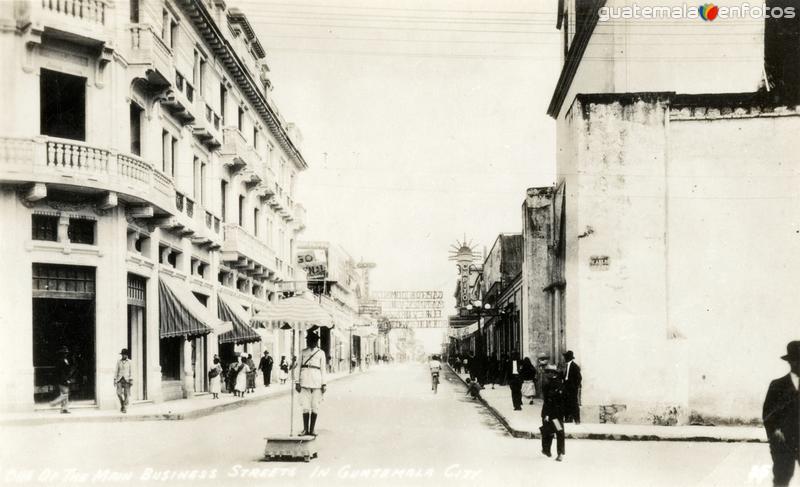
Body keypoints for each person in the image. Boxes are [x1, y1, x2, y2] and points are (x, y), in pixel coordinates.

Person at [763, 340, 800, 486]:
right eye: (796, 361)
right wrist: (775, 433)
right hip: (784, 443)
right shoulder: (777, 385)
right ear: (790, 362)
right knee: (781, 480)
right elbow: (768, 415)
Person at [296, 332, 327, 436]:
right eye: (309, 340)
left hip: (317, 382)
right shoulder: (303, 352)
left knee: (315, 406)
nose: (310, 342)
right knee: (305, 406)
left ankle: (312, 429)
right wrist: (297, 382)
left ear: (316, 341)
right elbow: (298, 367)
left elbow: (323, 369)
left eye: (313, 340)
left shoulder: (321, 353)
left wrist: (324, 383)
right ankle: (305, 429)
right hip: (304, 381)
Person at [541, 364, 566, 461]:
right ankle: (556, 452)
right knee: (557, 432)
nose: (547, 374)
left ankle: (549, 451)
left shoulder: (548, 385)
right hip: (556, 414)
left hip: (552, 414)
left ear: (552, 373)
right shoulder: (560, 384)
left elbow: (548, 401)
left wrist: (547, 414)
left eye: (548, 372)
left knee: (549, 432)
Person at [49, 346, 74, 414]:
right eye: (64, 353)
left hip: (63, 379)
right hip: (62, 380)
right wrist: (66, 380)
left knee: (64, 394)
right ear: (62, 354)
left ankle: (64, 409)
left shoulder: (64, 360)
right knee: (65, 394)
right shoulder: (61, 361)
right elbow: (62, 372)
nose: (66, 354)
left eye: (66, 353)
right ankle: (54, 403)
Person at [562, 350, 582, 423]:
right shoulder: (566, 366)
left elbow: (579, 378)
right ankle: (568, 418)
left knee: (574, 403)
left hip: (572, 388)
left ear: (568, 358)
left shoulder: (575, 366)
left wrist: (575, 386)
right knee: (566, 402)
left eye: (565, 357)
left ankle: (577, 419)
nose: (564, 358)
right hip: (566, 386)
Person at [113, 348, 133, 413]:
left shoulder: (130, 362)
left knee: (126, 394)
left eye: (125, 354)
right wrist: (115, 379)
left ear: (127, 355)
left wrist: (131, 379)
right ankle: (122, 404)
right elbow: (116, 371)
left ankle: (124, 407)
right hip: (120, 379)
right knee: (118, 393)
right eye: (123, 354)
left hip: (127, 380)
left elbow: (131, 371)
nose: (123, 356)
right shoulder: (118, 362)